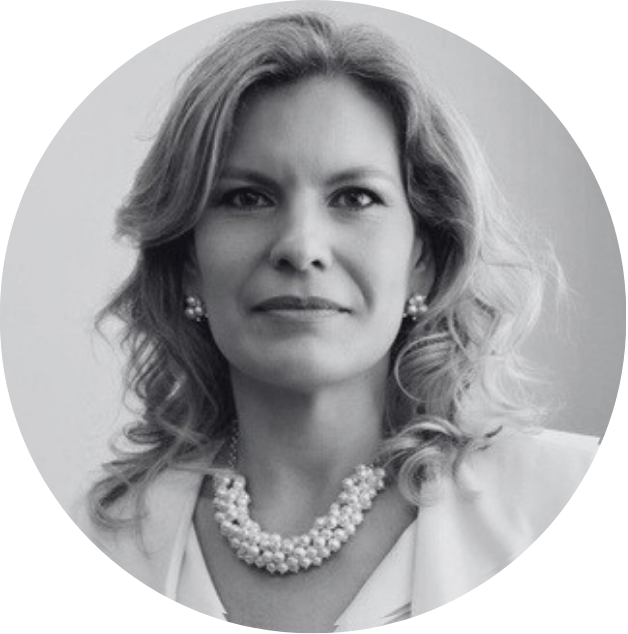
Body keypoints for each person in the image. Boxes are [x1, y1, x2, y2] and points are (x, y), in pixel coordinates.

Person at [72, 12, 598, 631]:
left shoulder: (557, 496)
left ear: (425, 259)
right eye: (247, 197)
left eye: (354, 198)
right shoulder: (109, 533)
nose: (300, 247)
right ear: (188, 262)